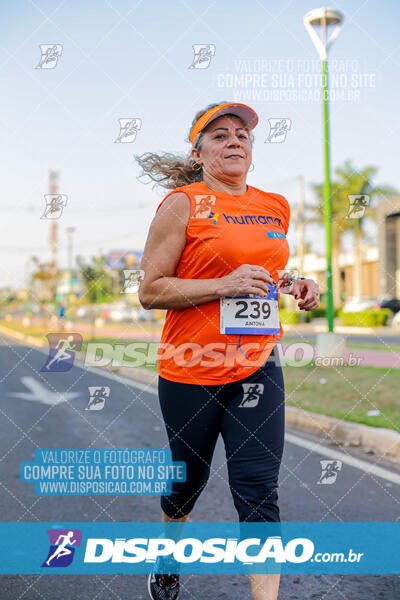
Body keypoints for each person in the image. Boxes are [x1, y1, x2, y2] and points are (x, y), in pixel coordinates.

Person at [136, 101, 320, 600]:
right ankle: (168, 557)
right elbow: (150, 290)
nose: (234, 141)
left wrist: (292, 282)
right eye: (219, 136)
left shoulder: (275, 205)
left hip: (258, 366)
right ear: (198, 153)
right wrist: (223, 284)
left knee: (258, 490)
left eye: (242, 134)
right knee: (185, 483)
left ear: (253, 151)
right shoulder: (183, 203)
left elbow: (258, 272)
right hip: (190, 366)